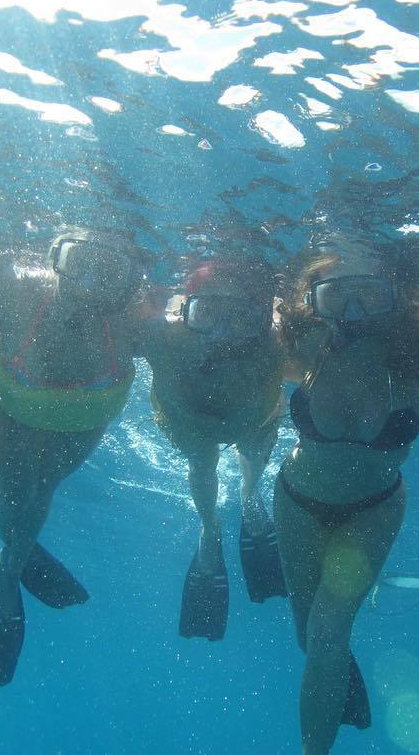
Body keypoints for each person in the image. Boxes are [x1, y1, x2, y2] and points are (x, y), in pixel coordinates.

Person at [274, 235, 419, 755]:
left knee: (325, 634)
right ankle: (337, 671)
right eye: (334, 295)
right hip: (297, 502)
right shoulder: (303, 347)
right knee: (310, 638)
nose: (351, 310)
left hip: (374, 511)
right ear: (312, 299)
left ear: (393, 293)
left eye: (366, 293)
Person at [0, 225, 145, 687]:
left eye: (109, 270)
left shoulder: (135, 322)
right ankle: (11, 559)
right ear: (54, 256)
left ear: (128, 282)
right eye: (79, 261)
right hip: (14, 394)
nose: (90, 281)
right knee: (15, 490)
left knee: (39, 486)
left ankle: (8, 574)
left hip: (82, 411)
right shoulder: (19, 288)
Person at [140, 257, 287, 642]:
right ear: (186, 309)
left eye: (239, 317)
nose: (222, 332)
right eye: (207, 312)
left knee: (254, 456)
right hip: (191, 424)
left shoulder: (273, 347)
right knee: (202, 465)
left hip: (254, 419)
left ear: (259, 318)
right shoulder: (166, 339)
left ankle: (250, 495)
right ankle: (209, 528)